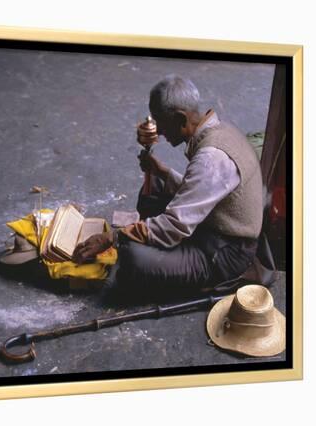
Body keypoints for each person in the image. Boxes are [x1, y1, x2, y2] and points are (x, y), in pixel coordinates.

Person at [72, 75, 264, 296]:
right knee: (156, 189)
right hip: (213, 226)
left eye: (161, 123)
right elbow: (200, 191)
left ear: (181, 119)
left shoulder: (211, 159)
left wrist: (112, 238)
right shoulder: (220, 130)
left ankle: (207, 276)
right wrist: (161, 171)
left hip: (226, 252)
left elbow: (174, 227)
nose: (159, 132)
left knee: (132, 258)